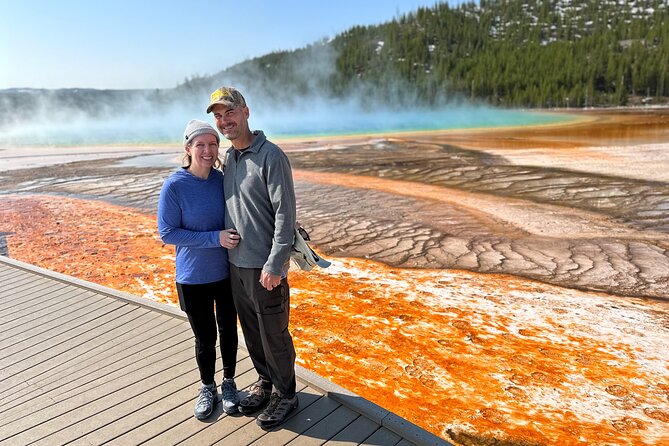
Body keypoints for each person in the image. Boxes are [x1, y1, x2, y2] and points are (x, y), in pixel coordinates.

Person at [207, 86, 299, 429]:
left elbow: (285, 215)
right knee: (252, 332)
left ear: (246, 111)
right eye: (218, 116)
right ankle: (265, 382)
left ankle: (287, 394)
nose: (224, 121)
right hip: (236, 266)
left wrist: (275, 263)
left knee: (274, 334)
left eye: (229, 112)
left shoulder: (271, 156)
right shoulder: (229, 157)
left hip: (265, 269)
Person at [157, 119, 242, 420]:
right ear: (188, 149)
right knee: (205, 337)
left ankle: (229, 383)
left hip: (225, 272)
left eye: (213, 143)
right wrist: (214, 238)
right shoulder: (175, 186)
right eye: (201, 144)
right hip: (192, 277)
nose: (208, 150)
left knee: (229, 330)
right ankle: (208, 387)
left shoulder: (223, 180)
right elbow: (167, 233)